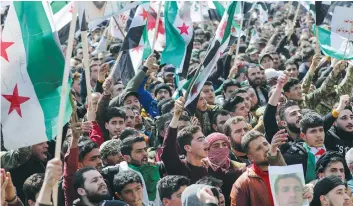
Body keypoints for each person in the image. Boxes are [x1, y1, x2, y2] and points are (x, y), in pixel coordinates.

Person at [230, 130, 287, 206]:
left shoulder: (282, 168)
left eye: (266, 144)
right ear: (251, 157)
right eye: (259, 148)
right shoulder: (242, 184)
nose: (266, 149)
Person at [161, 97, 208, 183]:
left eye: (204, 138)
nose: (206, 142)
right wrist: (176, 116)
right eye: (200, 140)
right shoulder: (179, 168)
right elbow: (168, 149)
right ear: (187, 147)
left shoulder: (211, 168)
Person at [204, 132, 246, 206]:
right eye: (216, 146)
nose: (221, 148)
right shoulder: (204, 167)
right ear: (208, 149)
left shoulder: (238, 166)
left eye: (224, 145)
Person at [120, 136, 161, 201]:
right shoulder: (127, 173)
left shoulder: (150, 166)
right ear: (127, 158)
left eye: (145, 149)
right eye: (139, 151)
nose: (145, 153)